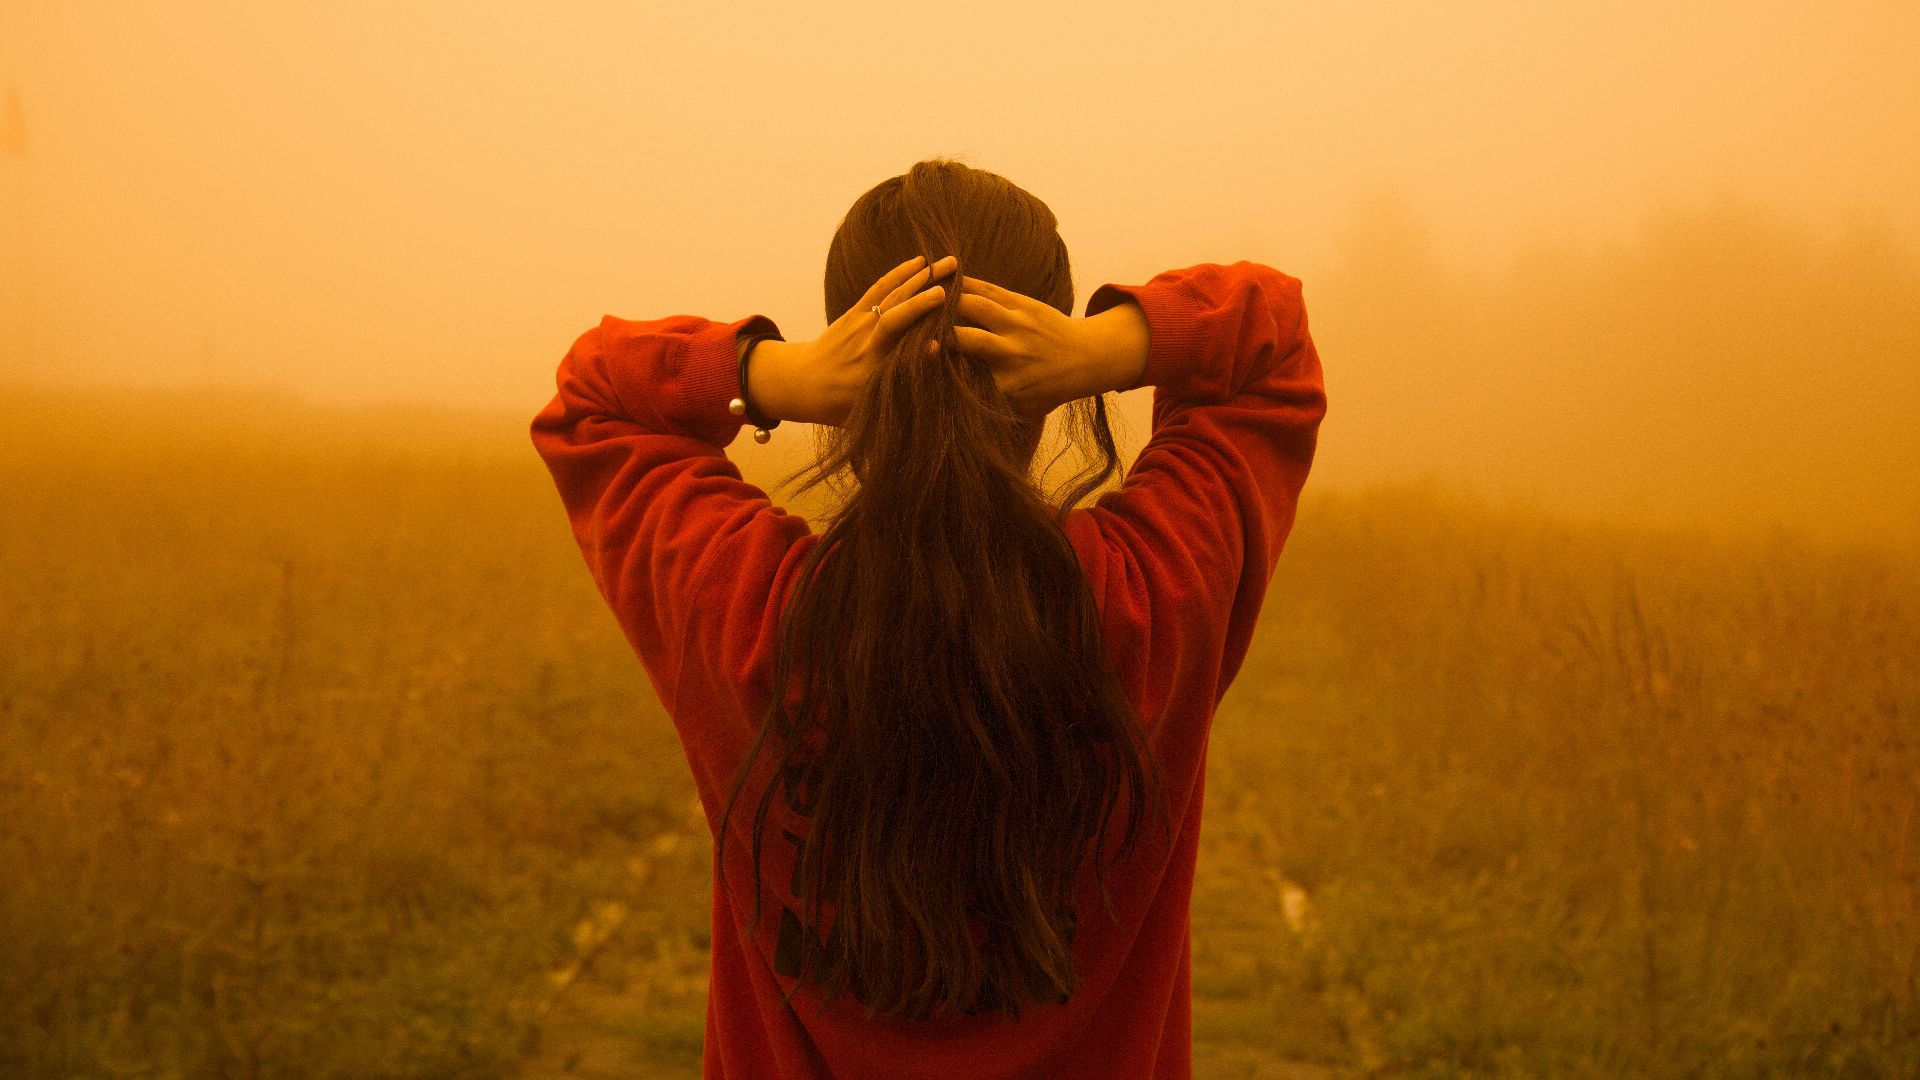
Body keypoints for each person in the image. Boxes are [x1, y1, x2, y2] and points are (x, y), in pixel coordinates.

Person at [530, 158, 1327, 1080]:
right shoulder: (1152, 600)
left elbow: (593, 398)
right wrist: (1109, 352)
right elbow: (1271, 339)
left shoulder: (742, 611)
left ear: (850, 368)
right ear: (1046, 370)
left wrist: (772, 377)